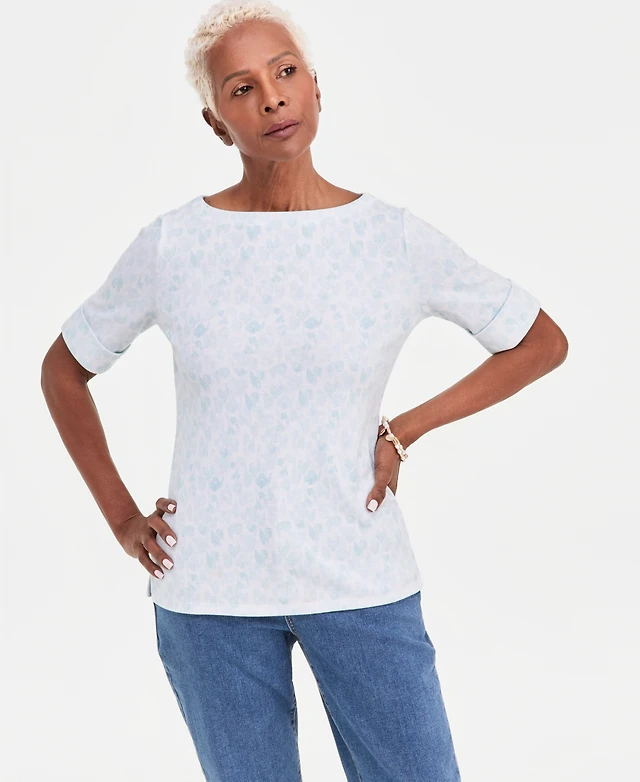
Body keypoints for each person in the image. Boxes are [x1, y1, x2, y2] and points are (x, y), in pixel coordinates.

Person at [41, 1, 569, 779]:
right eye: (242, 88)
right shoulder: (175, 245)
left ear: (316, 87)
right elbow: (64, 368)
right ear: (216, 122)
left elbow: (539, 342)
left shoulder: (391, 239)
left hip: (358, 575)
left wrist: (405, 429)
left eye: (285, 72)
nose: (272, 97)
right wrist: (121, 517)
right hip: (211, 598)